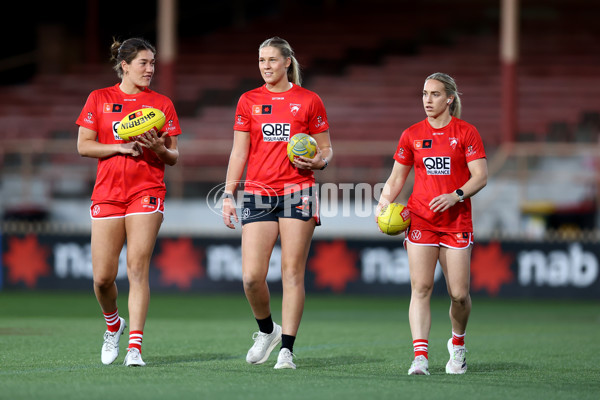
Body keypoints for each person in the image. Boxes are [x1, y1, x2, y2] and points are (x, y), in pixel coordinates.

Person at [221, 36, 332, 370]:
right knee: (252, 277)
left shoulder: (309, 101)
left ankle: (287, 349)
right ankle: (267, 330)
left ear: (287, 62)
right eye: (261, 60)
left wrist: (320, 163)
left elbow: (325, 149)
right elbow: (239, 152)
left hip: (299, 190)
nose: (266, 66)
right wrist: (229, 195)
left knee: (291, 272)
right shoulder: (248, 101)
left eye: (271, 60)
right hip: (258, 193)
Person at [76, 37, 181, 367]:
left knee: (137, 266)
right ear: (125, 65)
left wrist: (160, 150)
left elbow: (173, 154)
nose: (150, 69)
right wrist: (118, 147)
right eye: (144, 63)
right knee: (102, 278)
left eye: (152, 64)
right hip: (107, 193)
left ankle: (134, 346)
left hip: (147, 189)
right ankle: (113, 326)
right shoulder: (99, 98)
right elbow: (84, 146)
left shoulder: (162, 104)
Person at [376, 72, 487, 375]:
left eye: (435, 94)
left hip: (456, 220)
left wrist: (456, 195)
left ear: (450, 98)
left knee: (459, 295)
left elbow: (480, 176)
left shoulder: (466, 132)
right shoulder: (411, 134)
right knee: (421, 288)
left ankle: (458, 345)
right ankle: (420, 356)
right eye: (424, 94)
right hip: (421, 219)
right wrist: (384, 200)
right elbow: (397, 177)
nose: (427, 99)